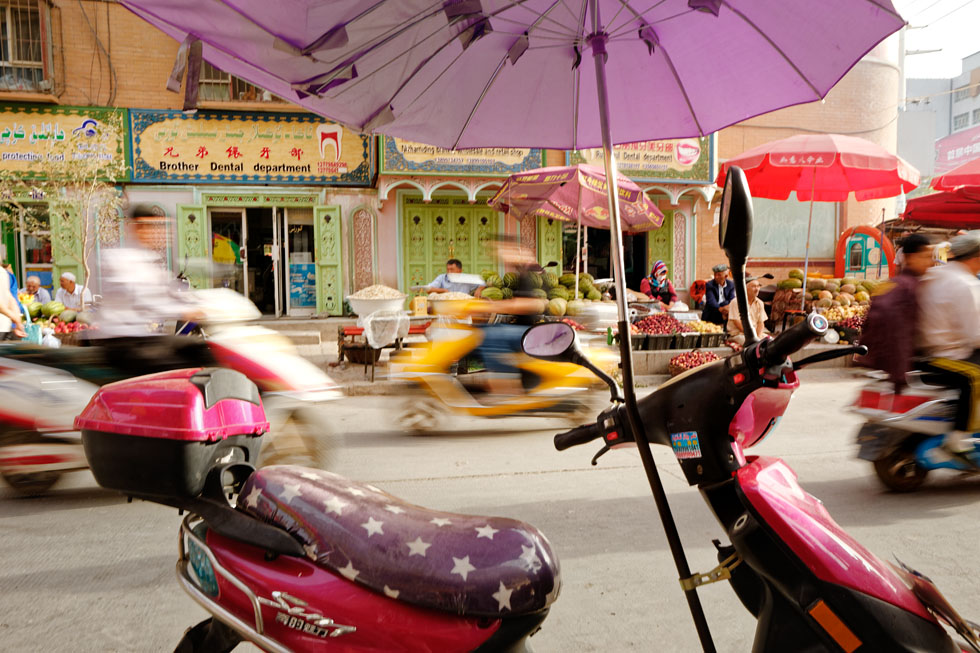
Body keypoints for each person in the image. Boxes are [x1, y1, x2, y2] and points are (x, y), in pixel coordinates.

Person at [916, 231, 980, 457]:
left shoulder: (935, 274)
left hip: (927, 352)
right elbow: (975, 336)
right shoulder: (966, 284)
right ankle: (959, 437)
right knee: (975, 378)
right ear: (976, 257)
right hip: (947, 356)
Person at [468, 236, 547, 398]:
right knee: (480, 331)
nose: (501, 255)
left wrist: (494, 306)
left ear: (518, 251)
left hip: (530, 333)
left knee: (492, 335)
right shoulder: (518, 274)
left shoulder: (530, 273)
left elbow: (532, 305)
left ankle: (505, 387)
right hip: (523, 330)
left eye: (504, 250)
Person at [855, 234, 933, 389]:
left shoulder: (892, 284)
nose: (930, 263)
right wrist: (900, 374)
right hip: (900, 368)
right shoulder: (909, 288)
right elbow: (900, 334)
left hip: (877, 362)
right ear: (910, 258)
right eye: (925, 257)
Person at [727, 275, 769, 345]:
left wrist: (758, 336)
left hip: (755, 334)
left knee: (772, 343)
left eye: (758, 286)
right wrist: (753, 336)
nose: (757, 289)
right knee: (753, 345)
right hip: (739, 334)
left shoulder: (760, 303)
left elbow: (761, 323)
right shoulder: (736, 302)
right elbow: (737, 322)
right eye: (753, 286)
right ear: (745, 289)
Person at [0, 265, 26, 340]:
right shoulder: (3, 272)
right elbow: (10, 298)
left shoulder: (3, 272)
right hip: (6, 327)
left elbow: (9, 298)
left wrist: (17, 321)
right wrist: (17, 320)